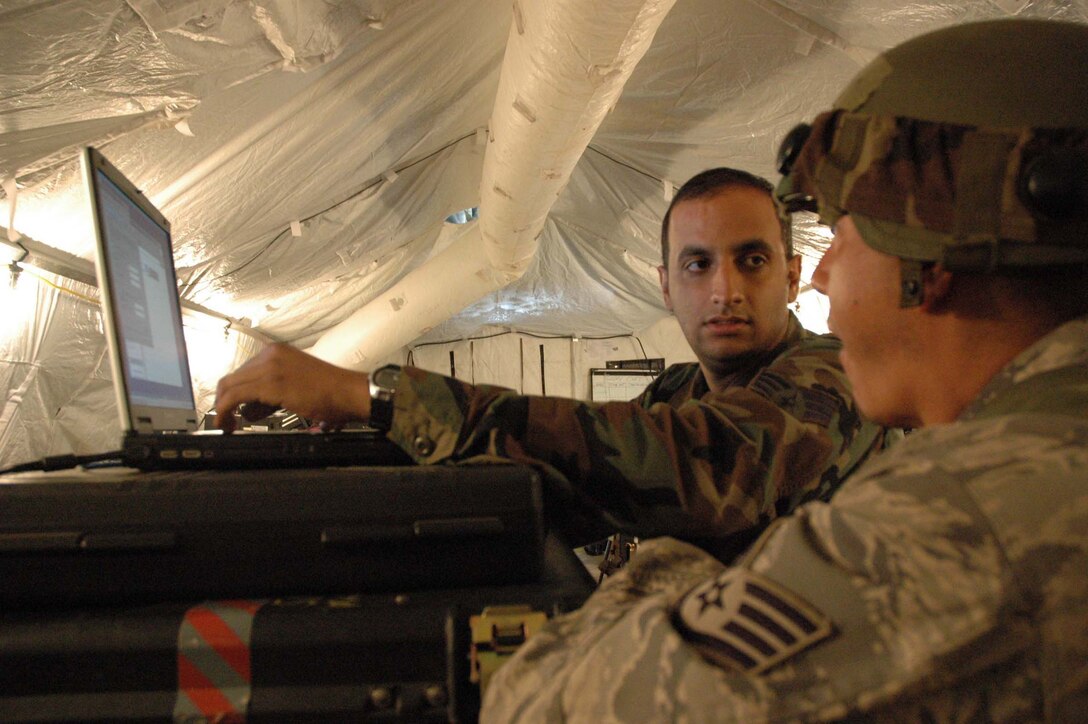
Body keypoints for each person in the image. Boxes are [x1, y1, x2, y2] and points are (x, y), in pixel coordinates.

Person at [479, 18, 1088, 721]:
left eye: (846, 230)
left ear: (933, 249)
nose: (825, 276)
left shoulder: (971, 505)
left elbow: (544, 707)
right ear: (666, 282)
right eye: (697, 265)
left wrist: (660, 564)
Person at [214, 169, 890, 558]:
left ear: (793, 274)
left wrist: (380, 397)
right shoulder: (679, 390)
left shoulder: (829, 374)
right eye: (698, 264)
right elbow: (568, 480)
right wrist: (378, 450)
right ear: (665, 286)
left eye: (752, 260)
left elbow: (714, 473)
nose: (725, 290)